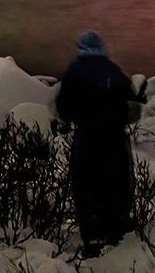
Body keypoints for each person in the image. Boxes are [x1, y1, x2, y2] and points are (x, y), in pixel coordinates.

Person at [56, 29, 143, 256]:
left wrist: (75, 116)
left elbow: (63, 107)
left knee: (86, 186)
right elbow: (133, 107)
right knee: (116, 182)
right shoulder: (113, 72)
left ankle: (93, 238)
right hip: (114, 138)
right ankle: (116, 230)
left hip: (87, 138)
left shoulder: (75, 73)